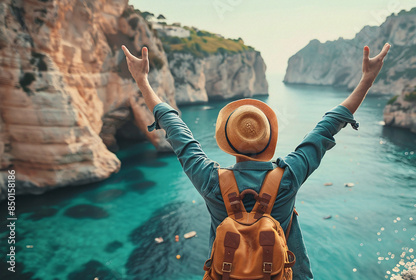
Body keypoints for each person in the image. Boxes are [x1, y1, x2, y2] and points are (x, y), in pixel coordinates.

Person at [122, 42, 390, 279]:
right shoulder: (289, 175)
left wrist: (142, 80)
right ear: (267, 140)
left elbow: (177, 131)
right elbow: (326, 128)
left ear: (228, 142)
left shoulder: (211, 181)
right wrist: (366, 79)